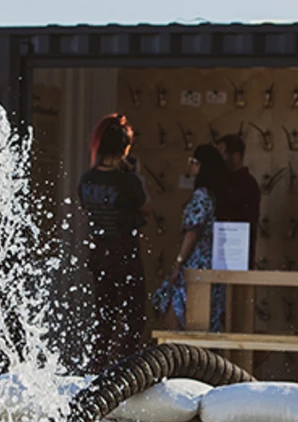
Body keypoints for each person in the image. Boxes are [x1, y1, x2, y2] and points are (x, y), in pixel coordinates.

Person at [77, 113, 150, 371]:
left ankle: (96, 369)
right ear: (125, 147)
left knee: (104, 316)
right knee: (133, 317)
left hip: (99, 255)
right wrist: (136, 176)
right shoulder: (127, 180)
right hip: (126, 255)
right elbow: (146, 208)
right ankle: (124, 370)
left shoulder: (87, 179)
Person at [152, 143, 226, 331]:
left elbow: (192, 233)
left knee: (175, 314)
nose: (190, 166)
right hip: (208, 262)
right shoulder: (214, 195)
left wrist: (178, 262)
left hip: (196, 262)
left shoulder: (201, 195)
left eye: (193, 162)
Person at [215, 132, 259, 268]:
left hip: (237, 254)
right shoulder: (221, 181)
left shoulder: (248, 184)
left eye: (222, 154)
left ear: (236, 157)